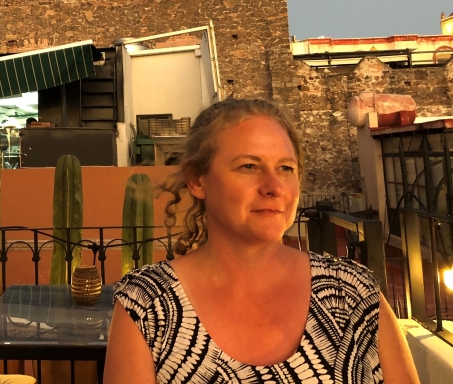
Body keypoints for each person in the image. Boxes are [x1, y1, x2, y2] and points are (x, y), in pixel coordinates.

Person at [105, 98, 419, 383]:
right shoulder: (147, 304)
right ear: (196, 179)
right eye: (249, 166)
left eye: (285, 168)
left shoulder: (353, 293)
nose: (274, 186)